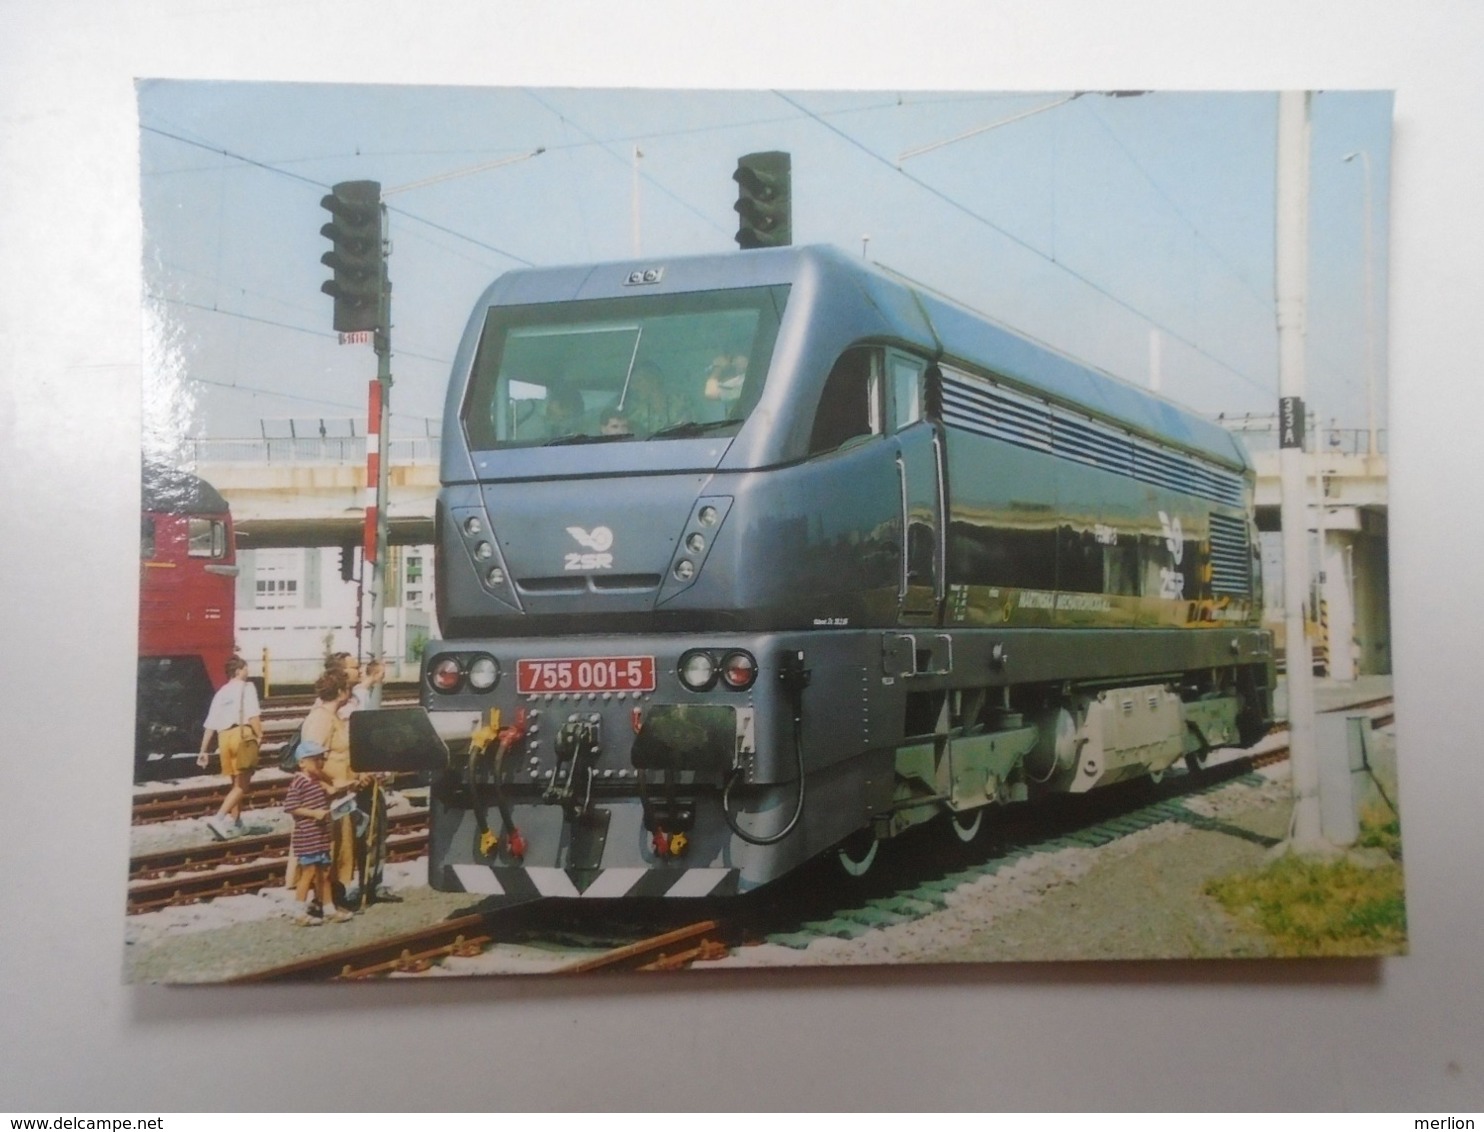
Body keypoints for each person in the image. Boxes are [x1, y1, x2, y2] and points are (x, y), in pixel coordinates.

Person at [282, 738, 358, 926]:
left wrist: (349, 787)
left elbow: (332, 790)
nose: (321, 763)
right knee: (308, 873)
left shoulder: (317, 781)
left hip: (321, 835)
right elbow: (290, 807)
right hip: (307, 835)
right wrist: (313, 813)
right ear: (302, 763)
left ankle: (329, 908)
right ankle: (298, 910)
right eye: (316, 760)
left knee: (323, 873)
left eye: (322, 759)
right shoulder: (299, 782)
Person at [196, 656, 262, 841]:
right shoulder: (248, 688)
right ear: (238, 670)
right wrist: (260, 735)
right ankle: (218, 819)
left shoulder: (221, 692)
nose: (248, 672)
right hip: (242, 736)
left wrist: (203, 750)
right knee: (242, 786)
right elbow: (253, 714)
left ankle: (238, 823)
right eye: (246, 668)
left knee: (235, 784)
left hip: (223, 738)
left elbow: (210, 723)